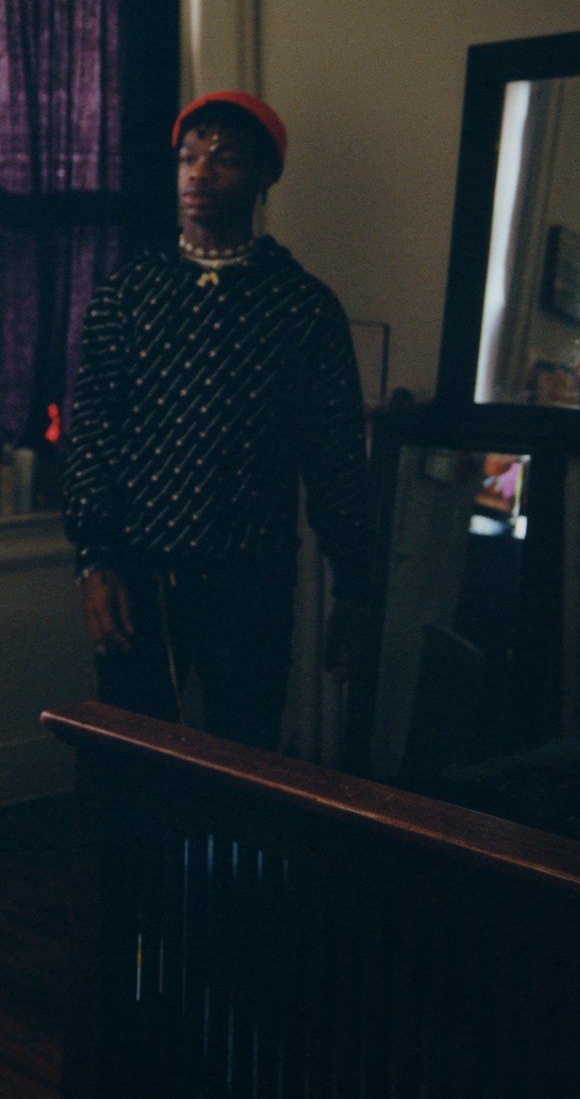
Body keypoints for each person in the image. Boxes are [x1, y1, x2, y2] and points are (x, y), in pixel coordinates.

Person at [63, 90, 374, 751]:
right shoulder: (128, 294)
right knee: (132, 762)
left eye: (224, 160)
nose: (199, 173)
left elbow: (338, 457)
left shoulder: (302, 307)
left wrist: (355, 589)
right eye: (188, 158)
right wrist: (93, 560)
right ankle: (137, 861)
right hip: (136, 576)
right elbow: (93, 433)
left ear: (264, 177)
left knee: (243, 763)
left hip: (250, 582)